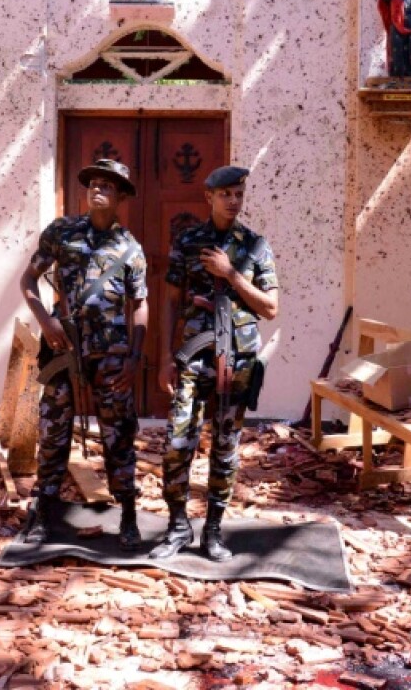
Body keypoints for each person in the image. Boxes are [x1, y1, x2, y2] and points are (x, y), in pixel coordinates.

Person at [150, 166, 279, 561]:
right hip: (192, 358)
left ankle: (214, 531)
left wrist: (231, 274)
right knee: (177, 444)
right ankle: (176, 526)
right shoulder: (188, 242)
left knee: (226, 448)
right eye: (225, 194)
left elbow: (271, 307)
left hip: (236, 362)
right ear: (209, 197)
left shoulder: (256, 246)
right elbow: (170, 301)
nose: (233, 201)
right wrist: (163, 359)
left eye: (238, 193)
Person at [19, 159, 148, 549]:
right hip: (64, 347)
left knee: (119, 434)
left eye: (108, 186)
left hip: (111, 355)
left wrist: (136, 358)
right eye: (93, 183)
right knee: (53, 430)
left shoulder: (129, 247)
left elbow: (140, 303)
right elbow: (27, 279)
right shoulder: (61, 232)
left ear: (121, 196)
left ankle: (127, 513)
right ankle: (44, 509)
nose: (98, 189)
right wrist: (45, 321)